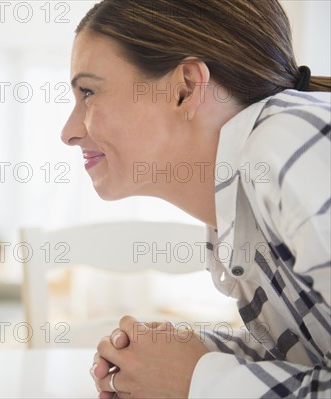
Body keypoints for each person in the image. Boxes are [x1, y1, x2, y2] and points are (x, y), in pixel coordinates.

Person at [61, 0, 330, 397]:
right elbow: (313, 359)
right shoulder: (239, 204)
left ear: (185, 88)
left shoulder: (290, 145)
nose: (68, 132)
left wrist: (197, 382)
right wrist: (183, 359)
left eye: (88, 92)